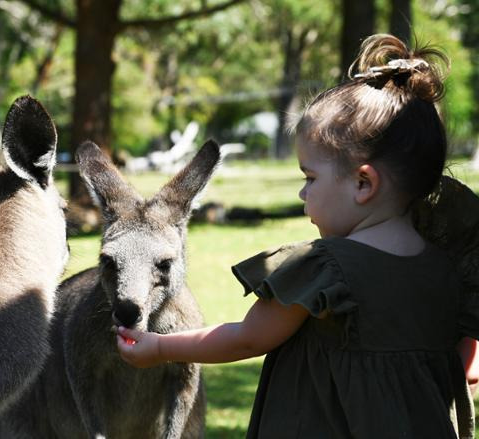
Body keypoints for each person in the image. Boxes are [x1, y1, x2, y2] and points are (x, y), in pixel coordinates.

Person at [117, 33, 479, 438]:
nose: (303, 193)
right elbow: (466, 363)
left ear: (363, 184)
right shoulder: (447, 269)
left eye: (310, 178)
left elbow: (246, 339)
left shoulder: (326, 270)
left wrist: (162, 348)